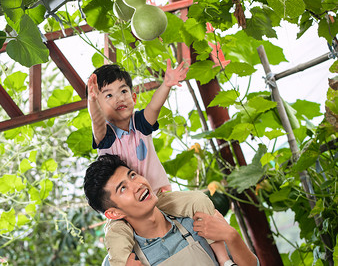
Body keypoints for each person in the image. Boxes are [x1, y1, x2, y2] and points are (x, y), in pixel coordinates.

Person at [87, 62, 230, 265]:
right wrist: (92, 101)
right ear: (99, 107)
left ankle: (225, 260)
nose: (119, 98)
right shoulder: (106, 137)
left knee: (199, 200)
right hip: (123, 214)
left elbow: (154, 106)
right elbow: (96, 121)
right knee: (116, 245)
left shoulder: (140, 124)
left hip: (158, 197)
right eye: (108, 95)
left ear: (133, 97)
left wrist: (167, 85)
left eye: (124, 91)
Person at [83, 154, 259, 266]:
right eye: (123, 188)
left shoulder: (197, 223)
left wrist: (231, 236)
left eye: (133, 175)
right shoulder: (122, 261)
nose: (137, 185)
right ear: (114, 213)